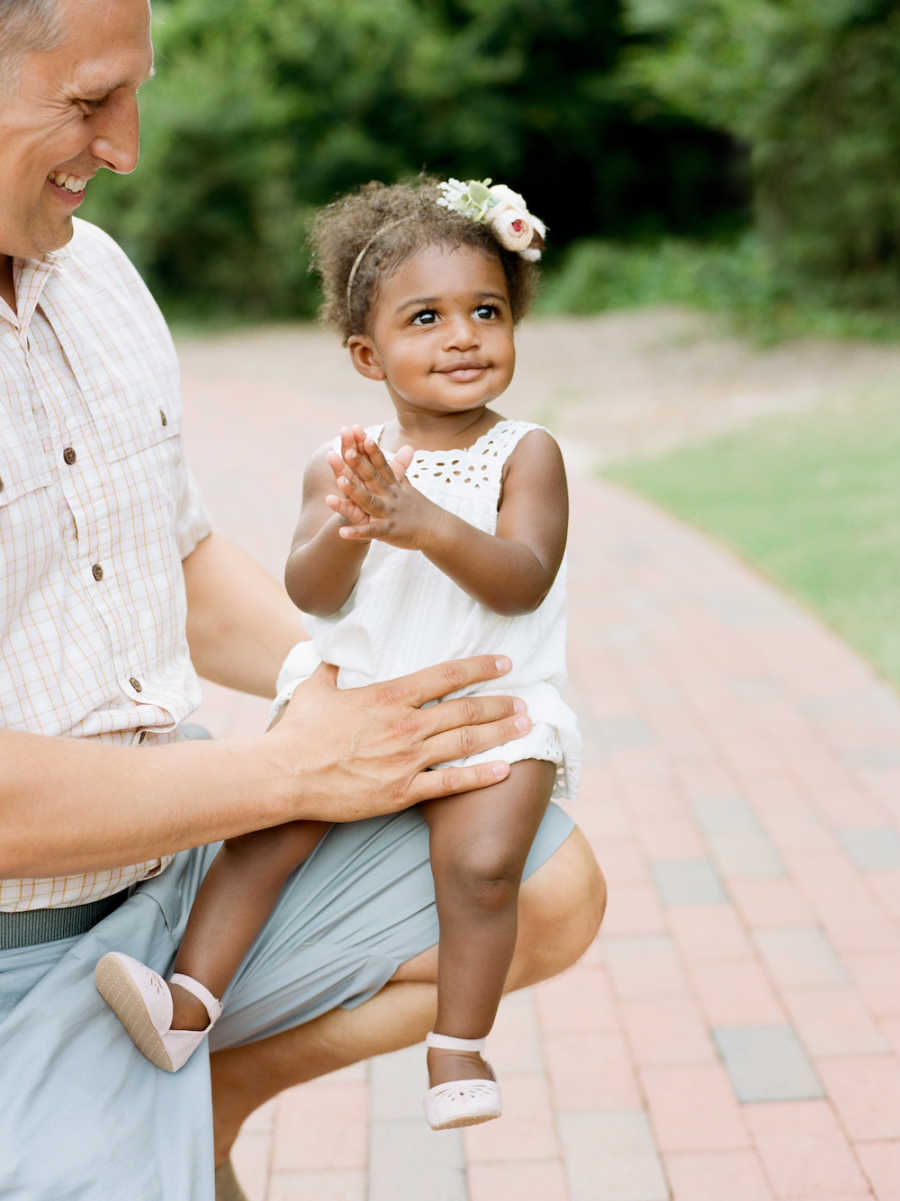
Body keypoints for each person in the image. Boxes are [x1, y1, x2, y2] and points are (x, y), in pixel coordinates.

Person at [0, 1, 605, 1197]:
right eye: (86, 103)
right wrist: (294, 771)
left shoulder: (99, 279)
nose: (125, 147)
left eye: (137, 94)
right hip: (19, 937)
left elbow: (176, 563)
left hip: (174, 867)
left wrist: (366, 704)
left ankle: (209, 1078)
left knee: (543, 879)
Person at [95, 176, 580, 1133]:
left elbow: (520, 576)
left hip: (493, 702)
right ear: (368, 353)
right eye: (426, 318)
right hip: (356, 697)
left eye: (486, 310)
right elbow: (310, 592)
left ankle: (459, 1043)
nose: (462, 337)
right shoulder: (343, 461)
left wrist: (421, 520)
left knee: (481, 867)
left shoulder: (528, 453)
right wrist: (358, 525)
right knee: (262, 834)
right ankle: (189, 998)